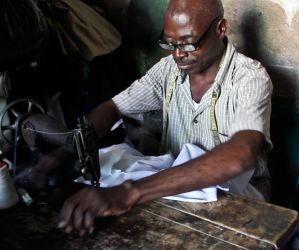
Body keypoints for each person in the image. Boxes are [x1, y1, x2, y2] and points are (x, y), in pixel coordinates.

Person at [53, 0, 273, 235]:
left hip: (239, 196)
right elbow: (113, 107)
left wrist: (130, 192)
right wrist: (65, 152)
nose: (178, 54)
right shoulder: (169, 69)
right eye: (170, 43)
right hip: (175, 186)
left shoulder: (249, 78)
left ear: (220, 28)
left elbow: (240, 155)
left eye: (188, 43)